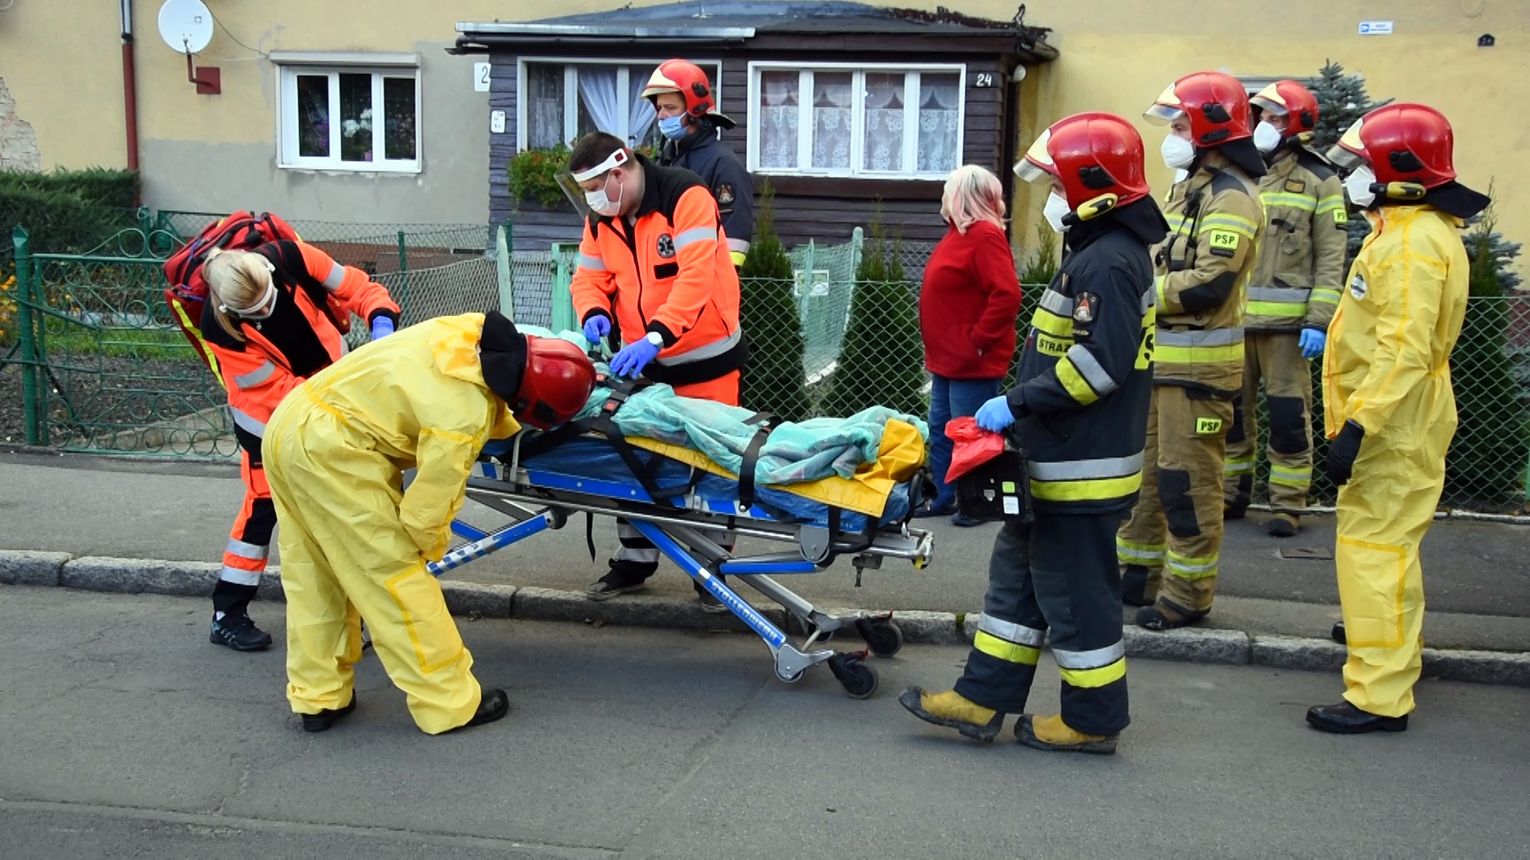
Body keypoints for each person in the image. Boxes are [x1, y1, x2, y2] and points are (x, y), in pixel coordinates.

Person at [899, 112, 1165, 754]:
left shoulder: (1107, 263)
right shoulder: (1101, 252)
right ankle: (982, 697)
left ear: (1092, 186)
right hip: (1057, 462)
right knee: (1015, 583)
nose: (1049, 197)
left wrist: (1012, 404)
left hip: (1081, 468)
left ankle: (1093, 720)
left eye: (1055, 183)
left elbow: (1099, 367)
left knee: (1077, 598)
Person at [263, 311, 598, 734]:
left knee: (314, 574)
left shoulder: (470, 331)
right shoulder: (462, 417)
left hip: (291, 424)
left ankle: (318, 697)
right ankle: (449, 703)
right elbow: (427, 509)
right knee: (395, 579)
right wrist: (420, 550)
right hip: (334, 449)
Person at [1306, 104, 1487, 734]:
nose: (1353, 174)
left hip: (1391, 420)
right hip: (1404, 415)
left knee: (1372, 552)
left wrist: (1359, 425)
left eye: (1361, 164)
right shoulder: (1418, 231)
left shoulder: (1409, 244)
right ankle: (1386, 652)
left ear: (1398, 169)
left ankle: (1377, 695)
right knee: (1393, 549)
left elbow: (1403, 348)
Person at [567, 132, 747, 610]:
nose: (590, 200)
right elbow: (588, 276)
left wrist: (656, 335)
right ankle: (636, 557)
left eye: (594, 187)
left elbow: (696, 276)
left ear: (619, 174)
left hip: (704, 358)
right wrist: (591, 312)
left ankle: (712, 569)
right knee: (633, 456)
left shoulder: (685, 196)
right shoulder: (602, 218)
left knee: (712, 464)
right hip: (645, 362)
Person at [1116, 71, 1267, 630]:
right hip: (1162, 367)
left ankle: (1188, 596)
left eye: (1180, 124)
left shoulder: (1233, 198)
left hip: (1199, 376)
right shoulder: (1190, 189)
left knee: (1188, 487)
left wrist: (1138, 296)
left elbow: (1209, 284)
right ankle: (1136, 576)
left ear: (1208, 129)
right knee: (1146, 479)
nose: (1171, 135)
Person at [199, 240, 399, 652]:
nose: (267, 312)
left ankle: (350, 617)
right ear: (230, 312)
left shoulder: (290, 258)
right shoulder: (221, 332)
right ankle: (227, 614)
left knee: (340, 507)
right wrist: (353, 389)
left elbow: (358, 288)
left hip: (333, 399)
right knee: (261, 512)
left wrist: (381, 320)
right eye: (255, 313)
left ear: (269, 274)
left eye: (269, 300)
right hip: (269, 424)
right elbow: (285, 395)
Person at [1223, 80, 1348, 536]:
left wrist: (1318, 321)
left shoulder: (1321, 181)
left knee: (1288, 419)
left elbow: (1332, 258)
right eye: (1261, 118)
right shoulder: (1241, 175)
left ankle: (1287, 504)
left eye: (1275, 118)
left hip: (1289, 331)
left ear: (1296, 125)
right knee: (1231, 416)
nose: (1264, 126)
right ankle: (1230, 494)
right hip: (1235, 323)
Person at [914, 164, 1022, 525]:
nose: (943, 195)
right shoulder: (959, 234)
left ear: (962, 196)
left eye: (948, 189)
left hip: (971, 360)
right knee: (943, 428)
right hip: (950, 359)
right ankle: (947, 496)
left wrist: (979, 340)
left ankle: (975, 501)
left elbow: (1006, 295)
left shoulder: (985, 236)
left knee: (970, 432)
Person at [642, 59, 754, 268]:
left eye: (670, 107)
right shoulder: (666, 159)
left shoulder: (722, 163)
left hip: (706, 285)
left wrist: (716, 285)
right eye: (659, 108)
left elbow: (734, 242)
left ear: (694, 110)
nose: (661, 115)